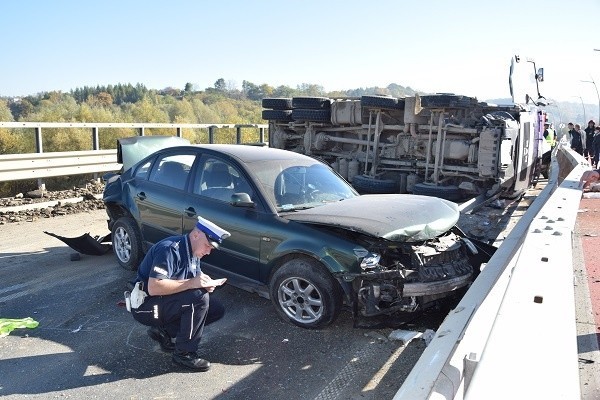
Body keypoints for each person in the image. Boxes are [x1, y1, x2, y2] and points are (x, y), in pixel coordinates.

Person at [128, 216, 231, 371]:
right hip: (145, 305)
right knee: (198, 299)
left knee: (215, 308)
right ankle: (184, 354)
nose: (208, 252)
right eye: (207, 246)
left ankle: (163, 331)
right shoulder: (170, 249)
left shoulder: (193, 251)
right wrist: (193, 283)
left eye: (211, 248)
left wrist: (204, 282)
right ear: (196, 235)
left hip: (163, 302)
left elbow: (191, 279)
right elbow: (154, 287)